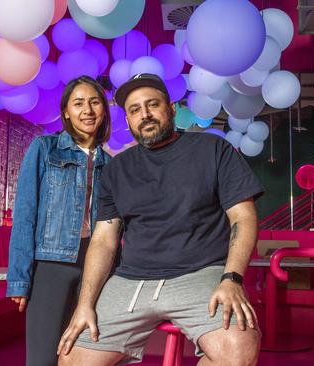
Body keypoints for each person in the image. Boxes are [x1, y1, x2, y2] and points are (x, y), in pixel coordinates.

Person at [57, 74, 264, 366]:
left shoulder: (213, 150)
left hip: (201, 274)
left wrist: (231, 278)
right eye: (135, 110)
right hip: (132, 280)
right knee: (71, 360)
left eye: (152, 105)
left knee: (239, 351)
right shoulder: (117, 169)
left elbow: (243, 215)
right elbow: (104, 240)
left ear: (171, 108)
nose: (145, 115)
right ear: (127, 121)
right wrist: (84, 305)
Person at [6, 76, 113, 366]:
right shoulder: (44, 149)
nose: (87, 110)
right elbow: (25, 214)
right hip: (52, 265)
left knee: (83, 357)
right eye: (78, 103)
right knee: (42, 359)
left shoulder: (111, 165)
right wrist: (19, 279)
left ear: (103, 109)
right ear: (66, 111)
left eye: (94, 102)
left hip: (97, 269)